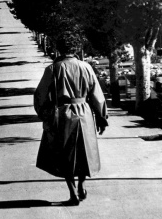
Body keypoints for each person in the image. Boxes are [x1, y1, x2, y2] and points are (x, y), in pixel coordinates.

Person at [33, 31, 108, 206]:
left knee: (64, 152)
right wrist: (102, 118)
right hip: (85, 113)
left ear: (58, 48)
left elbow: (40, 95)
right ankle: (82, 184)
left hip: (63, 113)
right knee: (84, 151)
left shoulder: (53, 69)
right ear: (75, 48)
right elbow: (97, 95)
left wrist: (44, 114)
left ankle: (72, 192)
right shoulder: (86, 67)